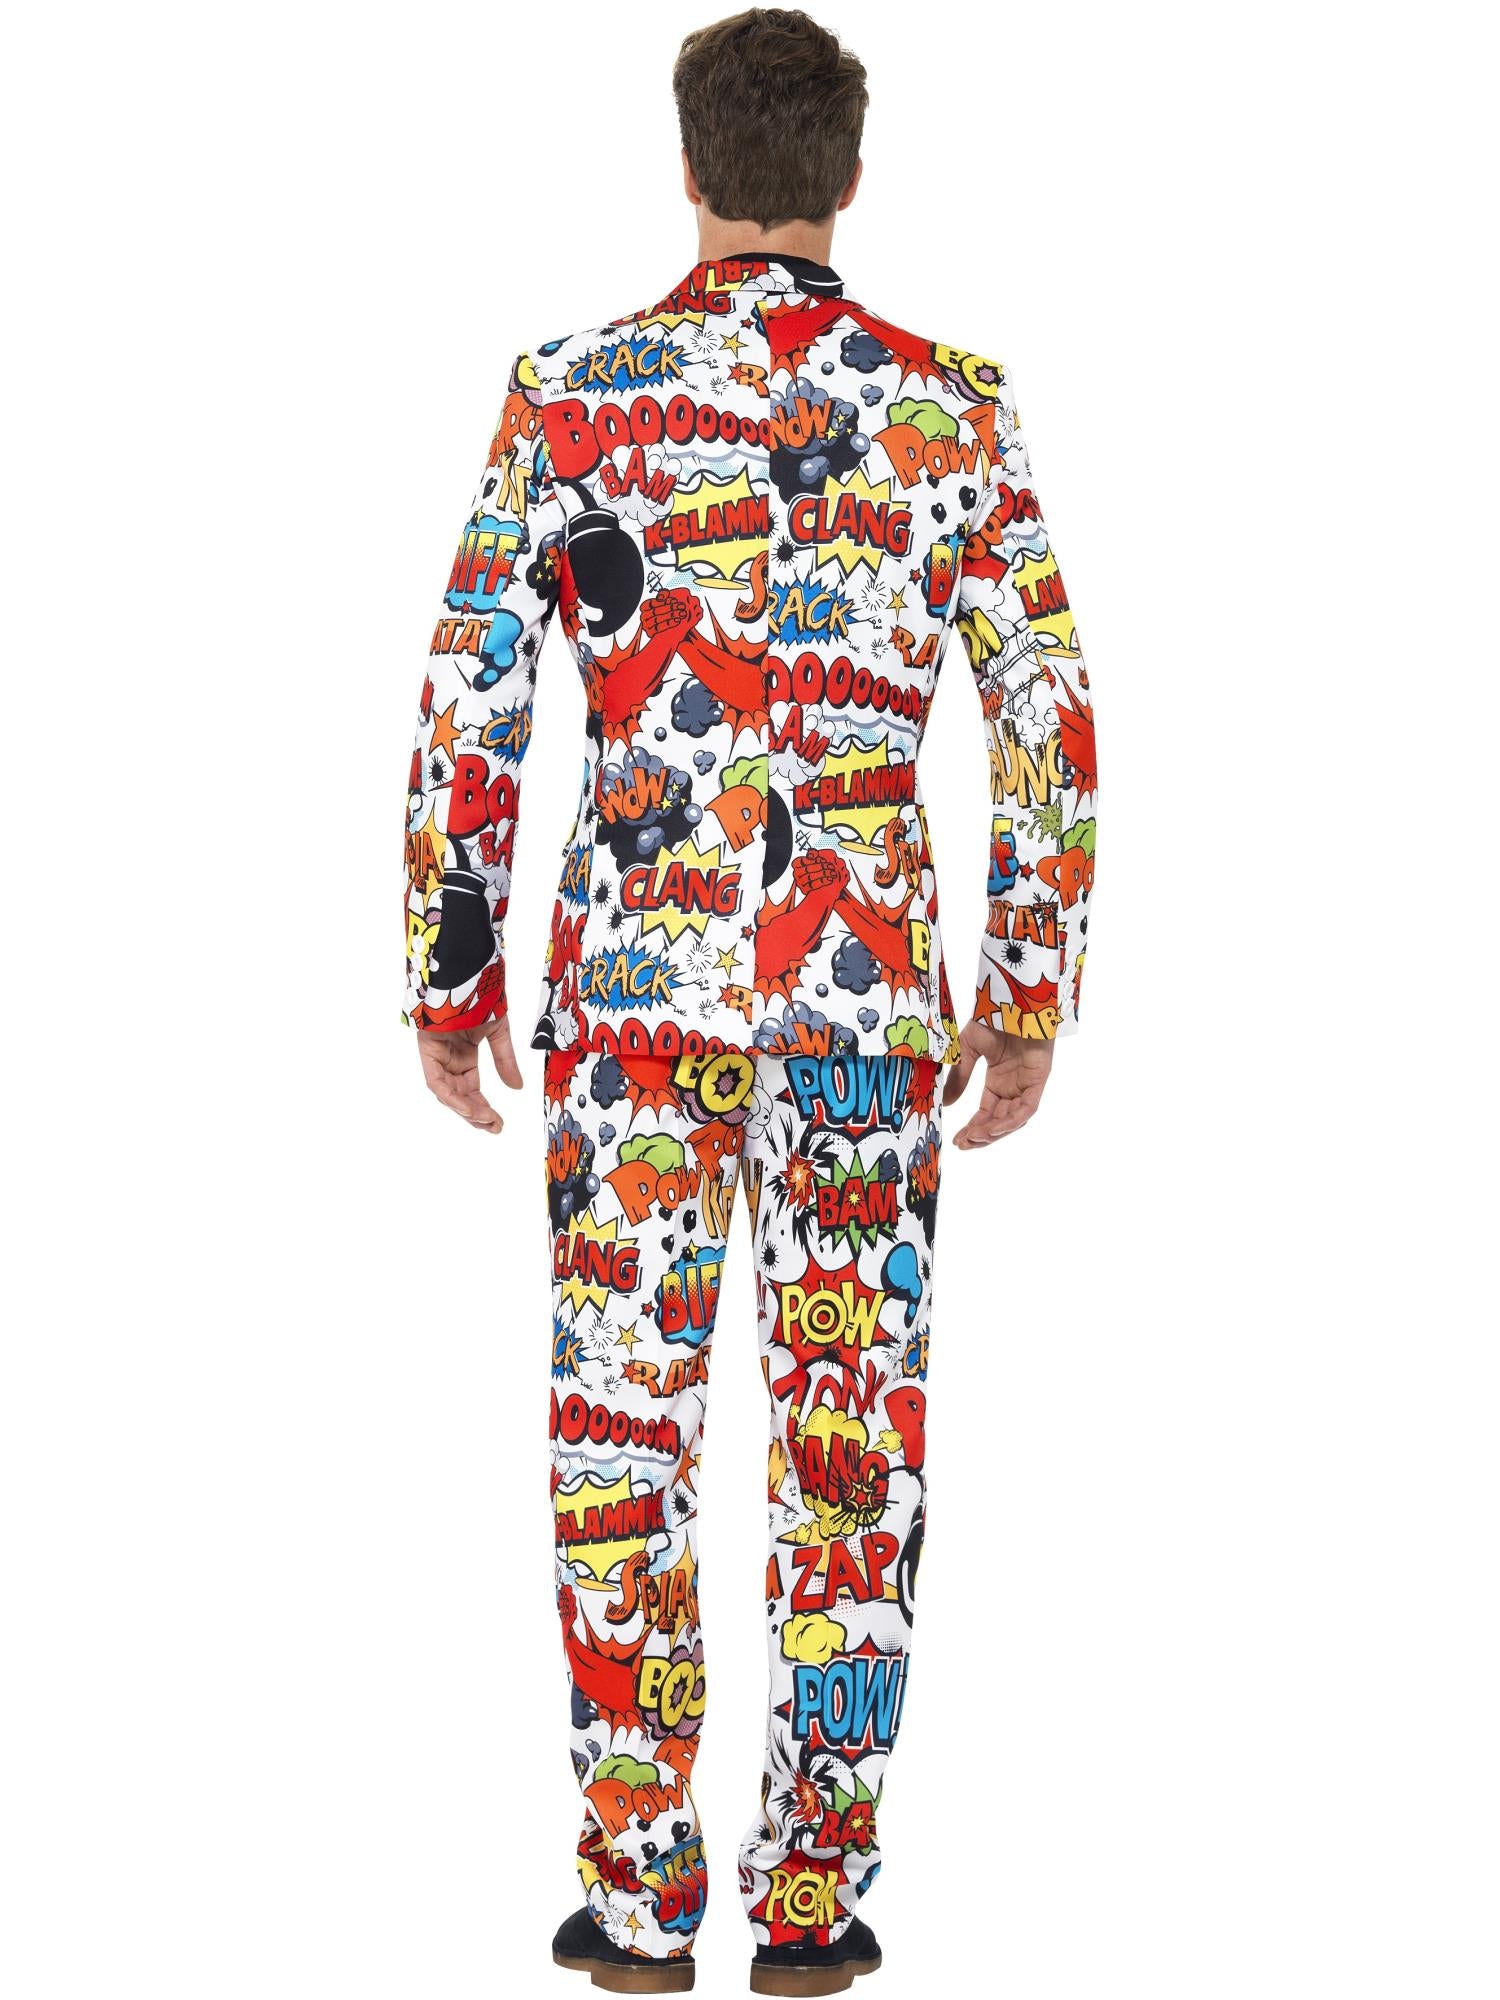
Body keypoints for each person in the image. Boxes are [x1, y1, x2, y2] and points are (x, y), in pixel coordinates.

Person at [401, 9, 1097, 1990]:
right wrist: (1028, 983)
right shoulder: (956, 410)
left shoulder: (570, 394)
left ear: (691, 170)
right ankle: (807, 1907)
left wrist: (450, 968)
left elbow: (473, 697)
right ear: (849, 179)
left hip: (636, 1010)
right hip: (864, 1019)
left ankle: (641, 1907)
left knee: (621, 1440)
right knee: (850, 1447)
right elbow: (1048, 715)